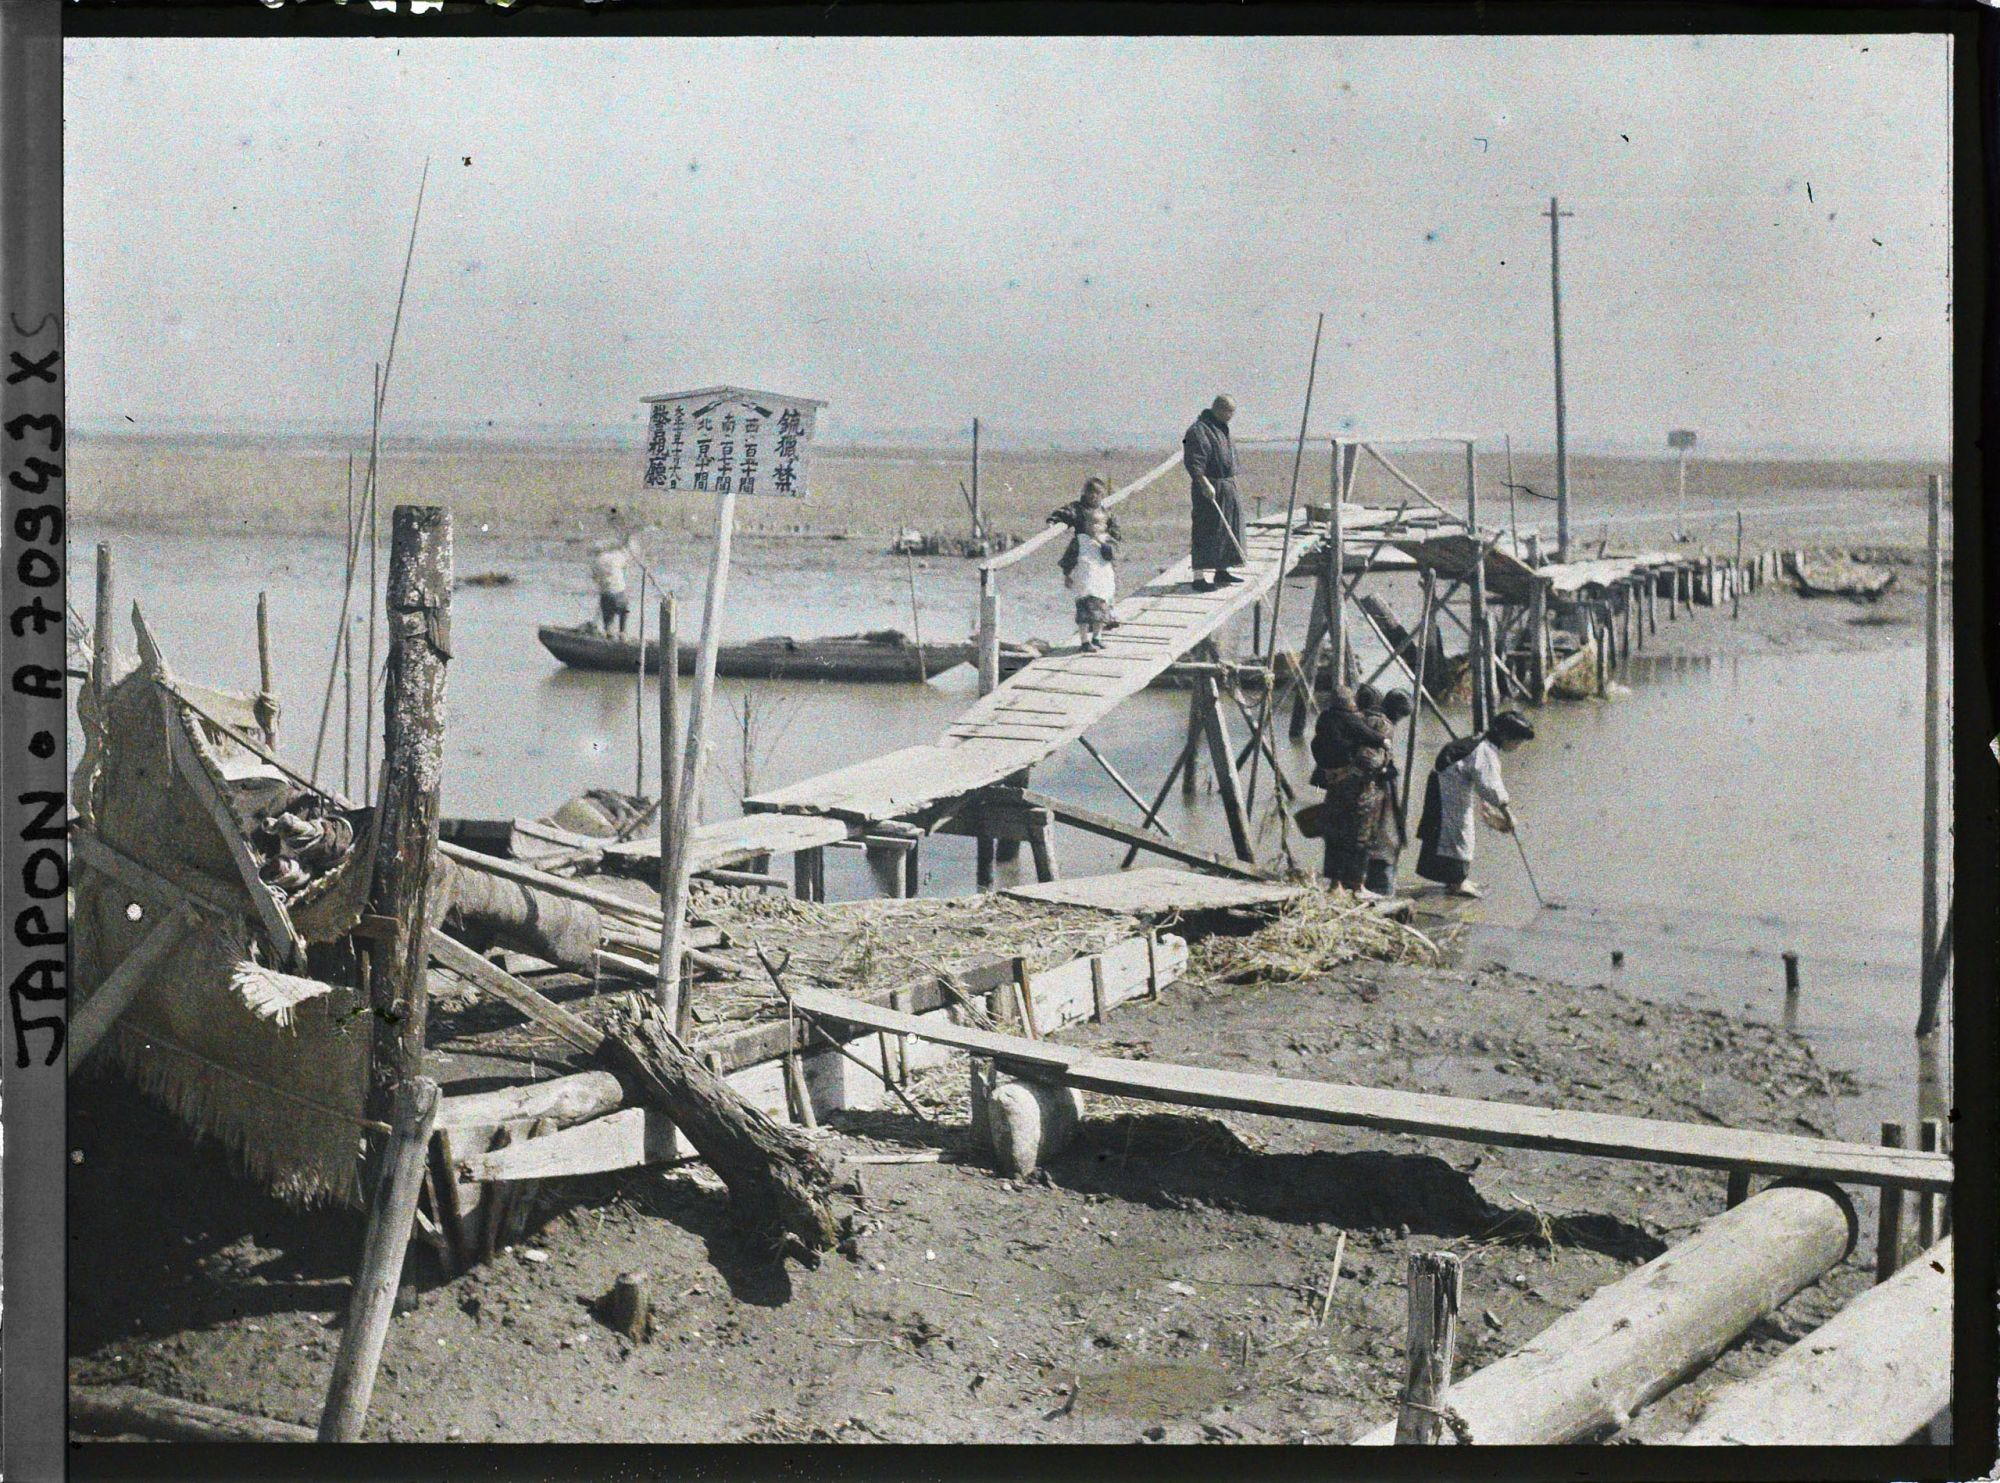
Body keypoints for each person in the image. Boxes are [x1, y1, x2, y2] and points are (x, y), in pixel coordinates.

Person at [1415, 709, 1536, 898]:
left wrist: (1487, 806)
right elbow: (1491, 786)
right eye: (1518, 741)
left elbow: (1481, 780)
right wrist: (1508, 814)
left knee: (1457, 833)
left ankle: (1457, 879)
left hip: (1447, 783)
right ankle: (1457, 882)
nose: (1518, 746)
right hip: (1448, 788)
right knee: (1458, 833)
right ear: (1505, 736)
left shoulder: (1481, 743)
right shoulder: (1485, 751)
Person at [1312, 683, 1395, 892]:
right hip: (1359, 789)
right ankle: (1357, 885)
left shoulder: (1333, 718)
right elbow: (1370, 760)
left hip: (1335, 785)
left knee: (1335, 834)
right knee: (1359, 837)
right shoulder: (1376, 724)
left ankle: (1335, 884)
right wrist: (1384, 768)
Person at [1049, 477, 1121, 650]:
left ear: (1102, 495)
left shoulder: (1106, 512)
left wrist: (1110, 545)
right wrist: (1053, 521)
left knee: (1102, 596)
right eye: (1090, 493)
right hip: (1085, 555)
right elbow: (1062, 513)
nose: (1093, 497)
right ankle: (1084, 641)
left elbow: (1116, 532)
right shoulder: (1078, 509)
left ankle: (1097, 636)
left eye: (1098, 493)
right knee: (1086, 597)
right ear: (1084, 493)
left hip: (1101, 559)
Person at [1181, 394, 1244, 592]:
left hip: (1226, 486)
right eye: (1228, 411)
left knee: (1227, 528)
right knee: (1205, 529)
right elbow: (1194, 461)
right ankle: (1198, 577)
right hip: (1208, 487)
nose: (1231, 416)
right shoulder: (1199, 430)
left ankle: (1222, 569)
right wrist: (1203, 482)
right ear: (1218, 409)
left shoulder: (1221, 429)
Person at [1362, 690, 1415, 897]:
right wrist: (1384, 771)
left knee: (1376, 837)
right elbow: (1369, 757)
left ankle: (1372, 884)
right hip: (1373, 788)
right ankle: (1380, 888)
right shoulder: (1382, 724)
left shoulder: (1367, 717)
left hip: (1370, 788)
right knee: (1383, 838)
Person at [590, 516, 641, 638]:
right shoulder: (616, 557)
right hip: (619, 595)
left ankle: (609, 634)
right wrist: (628, 540)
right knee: (624, 610)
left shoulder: (596, 562)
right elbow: (628, 554)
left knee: (608, 623)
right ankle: (623, 633)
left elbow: (596, 579)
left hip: (607, 596)